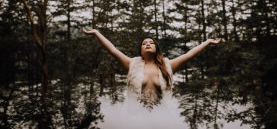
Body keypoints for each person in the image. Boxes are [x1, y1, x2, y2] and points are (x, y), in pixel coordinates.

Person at [83, 27, 220, 109]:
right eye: (144, 43)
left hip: (162, 117)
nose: (148, 44)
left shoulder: (168, 65)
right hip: (135, 117)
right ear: (141, 50)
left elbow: (189, 54)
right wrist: (96, 33)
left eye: (151, 43)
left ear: (156, 49)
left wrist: (207, 42)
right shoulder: (132, 64)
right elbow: (112, 50)